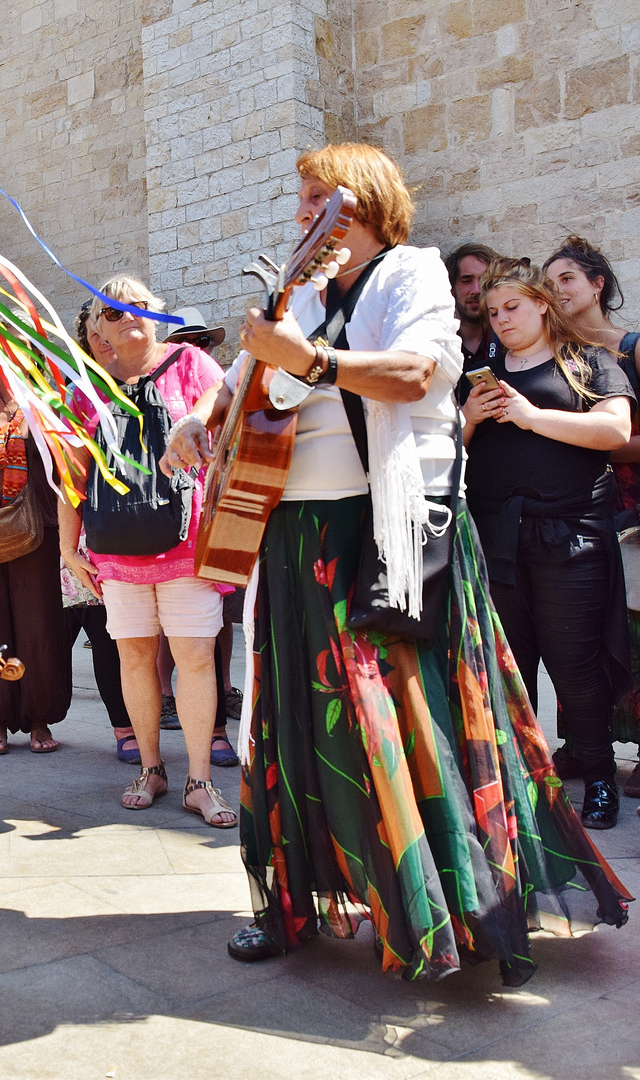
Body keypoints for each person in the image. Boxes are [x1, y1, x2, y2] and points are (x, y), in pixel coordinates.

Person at [166, 143, 631, 982]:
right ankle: (290, 901)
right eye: (300, 198)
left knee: (395, 720)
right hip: (287, 532)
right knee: (295, 721)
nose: (303, 211)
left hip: (379, 527)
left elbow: (418, 374)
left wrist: (303, 359)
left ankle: (444, 909)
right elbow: (236, 381)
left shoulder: (411, 271)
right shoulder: (297, 292)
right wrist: (194, 418)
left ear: (367, 203)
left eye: (319, 197)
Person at [462, 261, 634, 826]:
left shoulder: (587, 362)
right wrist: (467, 419)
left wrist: (533, 418)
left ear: (542, 303)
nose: (502, 319)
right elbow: (443, 449)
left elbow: (613, 432)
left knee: (575, 662)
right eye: (493, 312)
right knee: (508, 662)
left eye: (513, 306)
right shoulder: (477, 368)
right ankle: (521, 782)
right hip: (495, 535)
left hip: (571, 534)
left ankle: (600, 777)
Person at [60, 277, 232, 822]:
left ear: (157, 315)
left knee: (195, 657)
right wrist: (69, 548)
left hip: (186, 544)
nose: (128, 316)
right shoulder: (85, 389)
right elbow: (72, 474)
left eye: (138, 306)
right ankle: (152, 768)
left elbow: (227, 408)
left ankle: (199, 779)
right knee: (133, 657)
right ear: (94, 332)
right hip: (115, 549)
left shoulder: (191, 364)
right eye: (113, 313)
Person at [544, 237, 640, 795]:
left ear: (597, 284)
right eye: (551, 284)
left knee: (635, 633)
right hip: (581, 512)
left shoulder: (629, 349)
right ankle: (585, 741)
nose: (558, 292)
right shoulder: (555, 355)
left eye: (569, 280)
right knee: (579, 630)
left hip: (632, 510)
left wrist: (596, 441)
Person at [0, 354, 71, 754]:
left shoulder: (50, 404)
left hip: (38, 527)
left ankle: (39, 719)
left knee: (38, 623)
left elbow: (66, 467)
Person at [69, 301, 137, 761]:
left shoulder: (147, 377)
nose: (103, 341)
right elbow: (68, 472)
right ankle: (124, 728)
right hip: (90, 531)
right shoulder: (76, 391)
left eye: (108, 330)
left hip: (150, 528)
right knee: (106, 635)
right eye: (94, 335)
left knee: (140, 640)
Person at [446, 242, 504, 368]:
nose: (476, 290)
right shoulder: (442, 344)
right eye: (467, 281)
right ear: (452, 288)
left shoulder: (509, 342)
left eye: (484, 280)